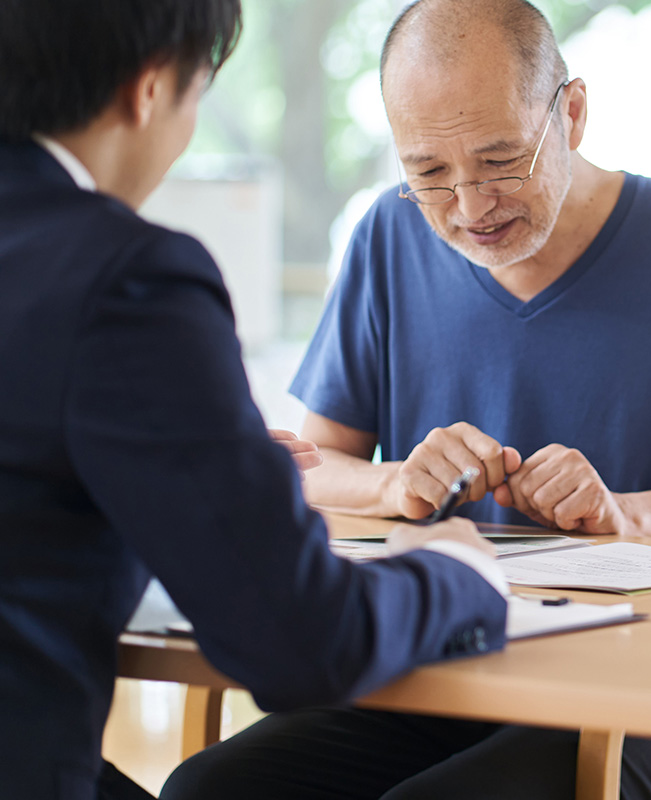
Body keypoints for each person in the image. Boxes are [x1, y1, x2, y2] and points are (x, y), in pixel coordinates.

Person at [161, 1, 651, 798]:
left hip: (642, 690)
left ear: (572, 113)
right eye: (427, 173)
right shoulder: (386, 239)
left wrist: (628, 515)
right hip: (436, 660)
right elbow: (313, 468)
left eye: (500, 161)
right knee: (207, 791)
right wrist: (396, 484)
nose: (469, 206)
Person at [0, 2, 510, 798]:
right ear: (151, 88)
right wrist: (451, 571)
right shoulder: (127, 278)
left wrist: (188, 468)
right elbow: (301, 640)